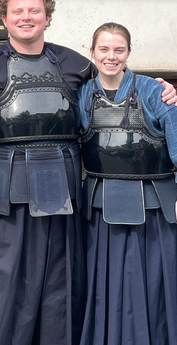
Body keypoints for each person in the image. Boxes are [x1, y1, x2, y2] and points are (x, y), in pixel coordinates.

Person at [0, 0, 176, 345]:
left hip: (62, 183)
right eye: (18, 11)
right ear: (4, 19)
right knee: (0, 268)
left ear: (48, 17)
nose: (26, 18)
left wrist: (161, 89)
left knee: (59, 271)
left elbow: (112, 89)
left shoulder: (74, 64)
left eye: (34, 11)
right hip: (0, 181)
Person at [78, 23, 177, 345]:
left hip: (153, 211)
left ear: (129, 53)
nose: (111, 56)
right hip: (100, 207)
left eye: (119, 50)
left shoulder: (154, 91)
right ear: (92, 52)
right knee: (103, 286)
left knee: (149, 284)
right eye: (104, 49)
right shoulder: (83, 94)